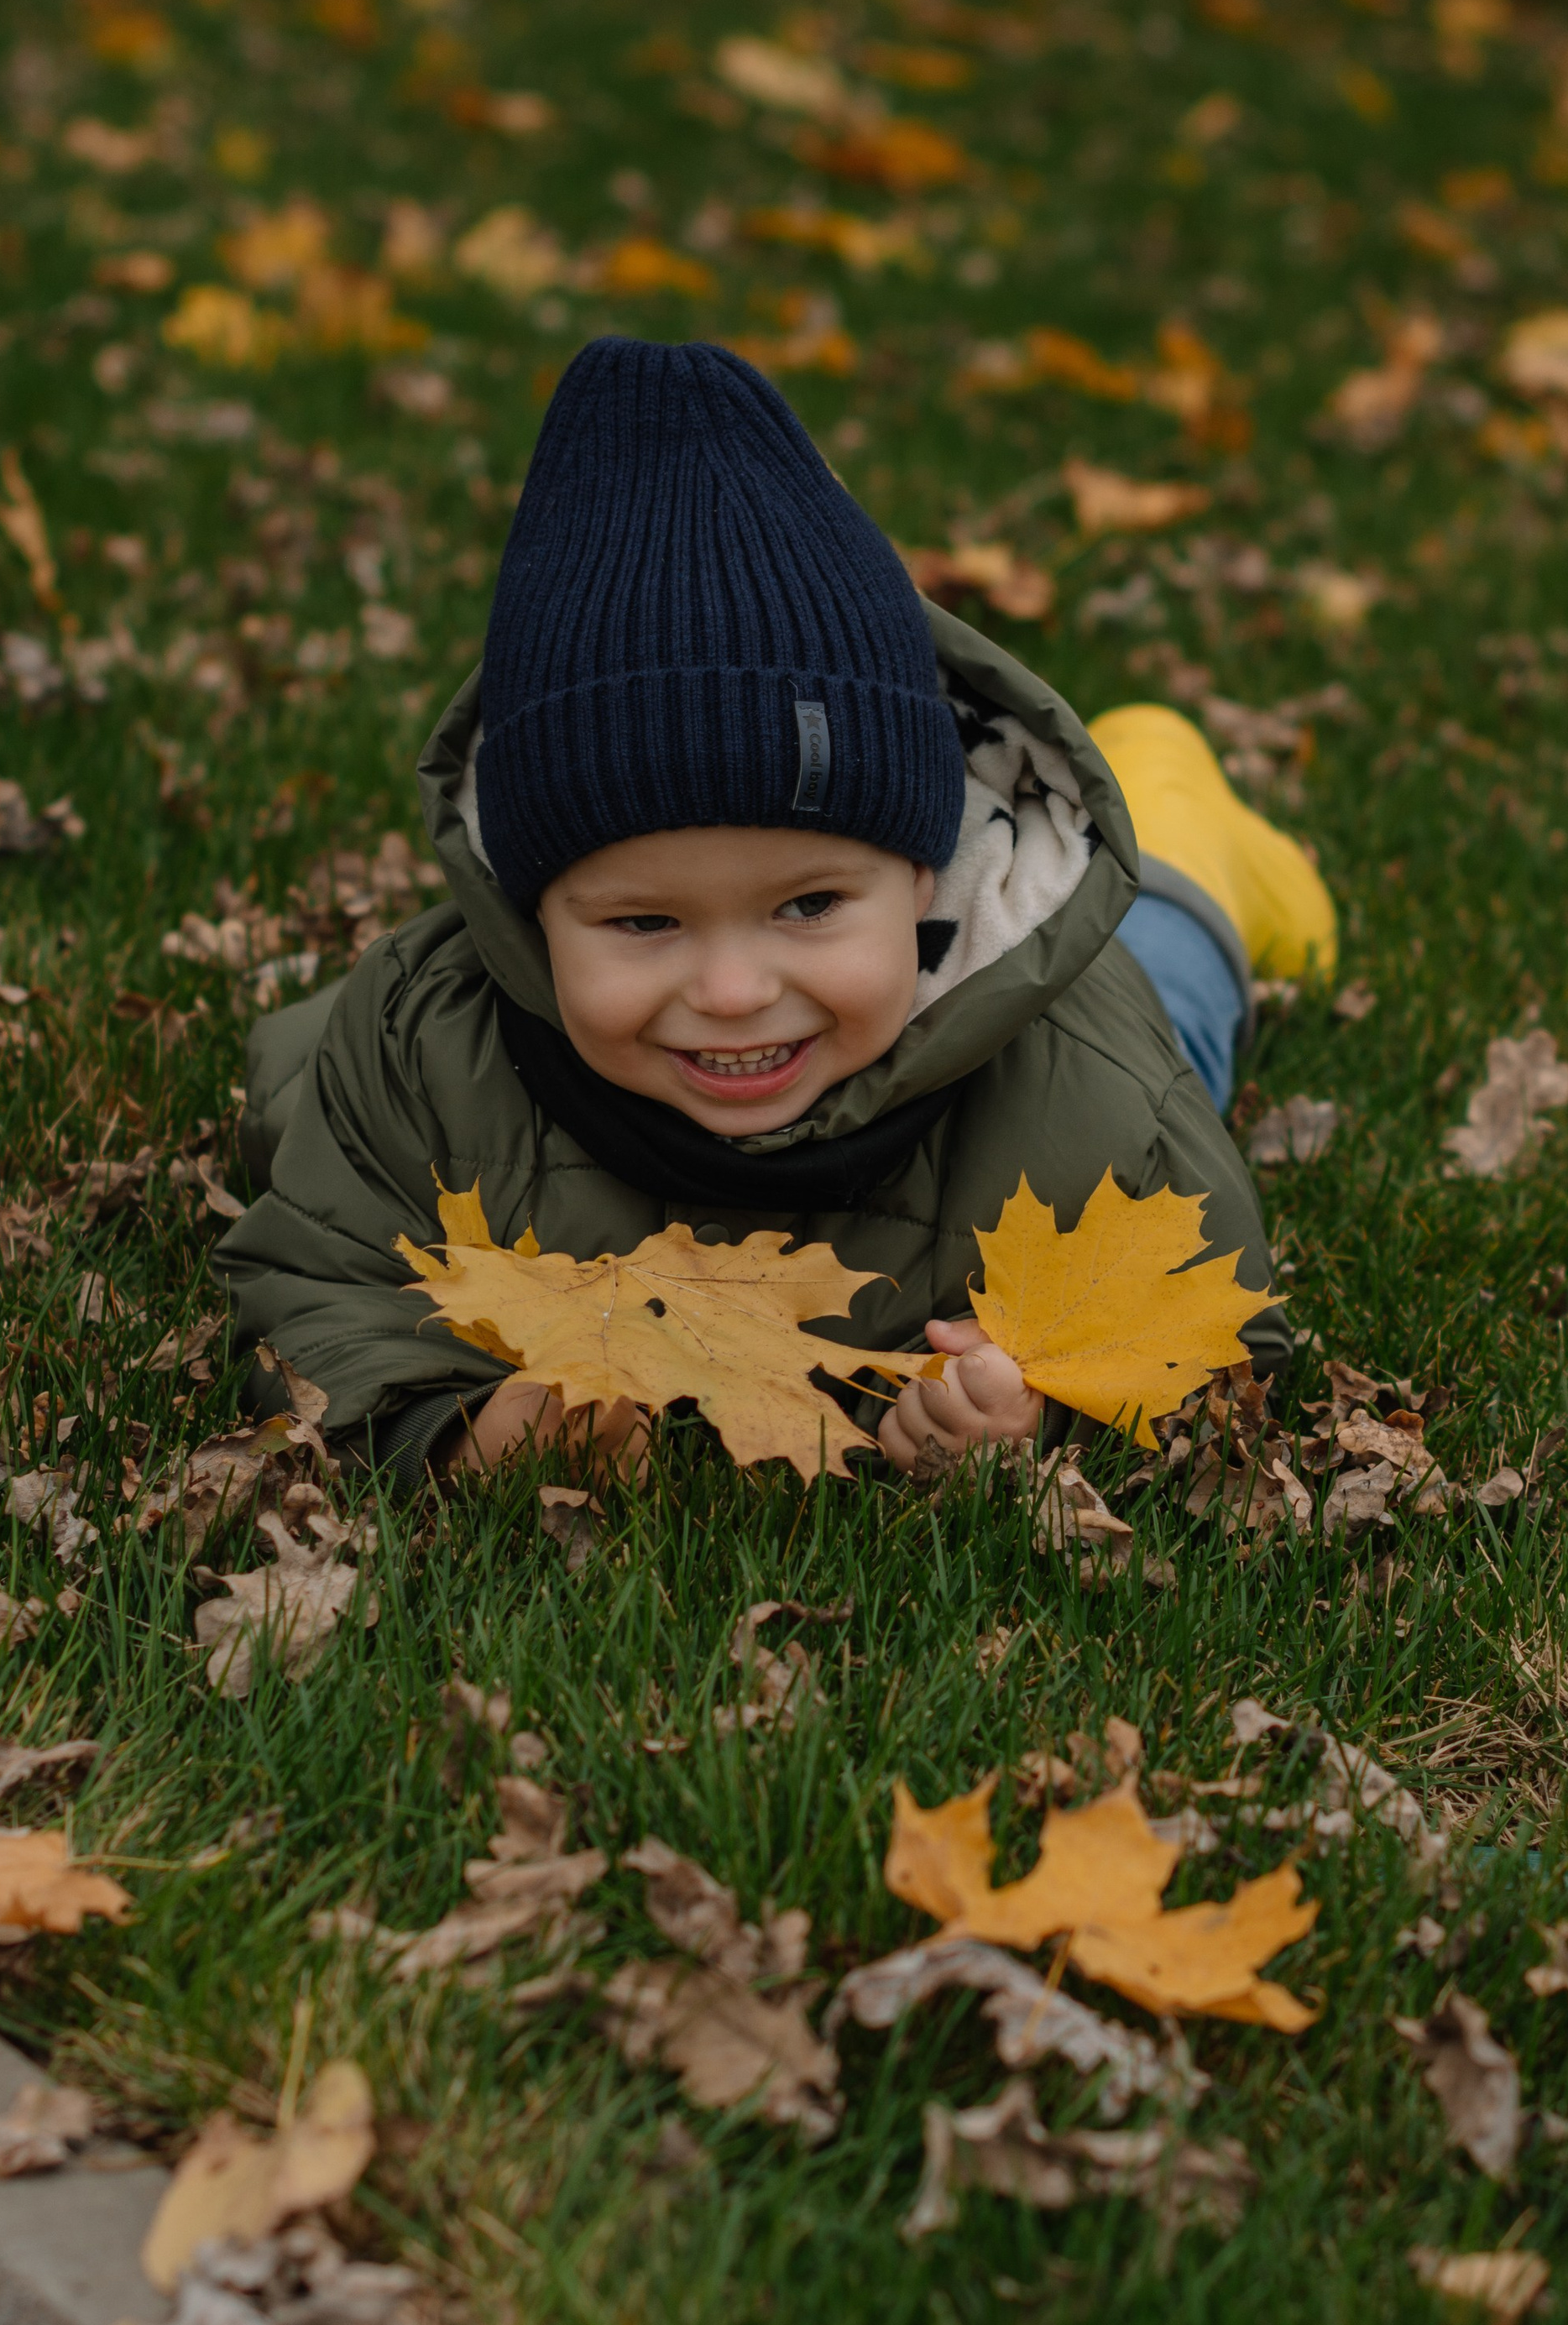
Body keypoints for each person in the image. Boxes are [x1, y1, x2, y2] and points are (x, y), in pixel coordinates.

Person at [217, 337, 1336, 1481]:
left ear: (921, 872)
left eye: (807, 905)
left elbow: (1225, 1339)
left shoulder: (1090, 1094)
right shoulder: (419, 1050)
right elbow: (312, 1279)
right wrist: (462, 1433)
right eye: (645, 924)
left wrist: (1039, 1418)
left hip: (1122, 982)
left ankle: (1185, 810)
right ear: (530, 908)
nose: (736, 992)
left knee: (1179, 945)